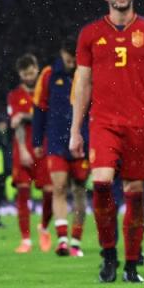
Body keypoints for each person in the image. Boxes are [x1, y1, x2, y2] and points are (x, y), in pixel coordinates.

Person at [69, 0, 144, 283]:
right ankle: (108, 256)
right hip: (103, 123)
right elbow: (84, 84)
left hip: (141, 123)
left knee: (135, 191)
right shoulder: (90, 34)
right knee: (101, 183)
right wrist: (76, 130)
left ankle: (131, 264)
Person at [32, 39, 90, 257]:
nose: (72, 60)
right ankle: (63, 240)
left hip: (82, 142)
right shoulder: (48, 75)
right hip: (56, 141)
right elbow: (39, 109)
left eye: (75, 56)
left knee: (79, 190)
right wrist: (37, 141)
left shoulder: (86, 73)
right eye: (69, 55)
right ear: (62, 52)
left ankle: (76, 241)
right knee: (59, 187)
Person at [7, 53, 54, 253]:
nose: (29, 76)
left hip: (45, 148)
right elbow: (16, 125)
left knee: (50, 193)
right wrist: (24, 150)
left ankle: (43, 227)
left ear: (37, 68)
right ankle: (25, 240)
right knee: (23, 193)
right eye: (25, 74)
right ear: (20, 74)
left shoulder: (46, 91)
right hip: (23, 149)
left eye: (32, 72)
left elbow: (47, 115)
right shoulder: (14, 95)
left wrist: (25, 115)